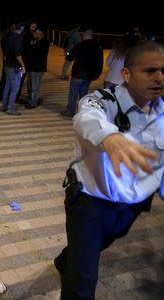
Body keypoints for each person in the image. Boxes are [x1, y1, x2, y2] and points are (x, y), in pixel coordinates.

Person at [54, 41, 164, 300]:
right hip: (90, 203)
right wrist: (110, 138)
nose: (159, 78)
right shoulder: (103, 100)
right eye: (150, 71)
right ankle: (73, 265)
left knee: (91, 248)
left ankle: (65, 260)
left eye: (163, 70)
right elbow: (86, 118)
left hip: (130, 208)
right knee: (83, 284)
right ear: (126, 74)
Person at [60, 29, 103, 118]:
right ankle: (82, 111)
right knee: (83, 94)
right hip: (89, 76)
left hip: (77, 74)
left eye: (82, 35)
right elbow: (100, 62)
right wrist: (97, 74)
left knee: (73, 94)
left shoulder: (80, 45)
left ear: (84, 36)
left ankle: (70, 111)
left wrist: (67, 53)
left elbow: (70, 57)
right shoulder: (98, 47)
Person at [0, 22, 26, 116]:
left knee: (7, 87)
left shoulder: (7, 36)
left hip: (7, 66)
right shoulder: (17, 38)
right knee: (15, 88)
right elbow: (18, 55)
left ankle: (4, 106)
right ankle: (11, 109)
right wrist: (23, 65)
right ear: (21, 29)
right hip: (14, 67)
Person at [25, 26, 49, 109]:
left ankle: (33, 103)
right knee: (31, 86)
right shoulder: (38, 41)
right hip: (33, 68)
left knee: (34, 87)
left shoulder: (44, 42)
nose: (34, 34)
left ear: (41, 33)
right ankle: (33, 99)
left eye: (36, 32)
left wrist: (32, 47)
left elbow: (39, 56)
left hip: (37, 69)